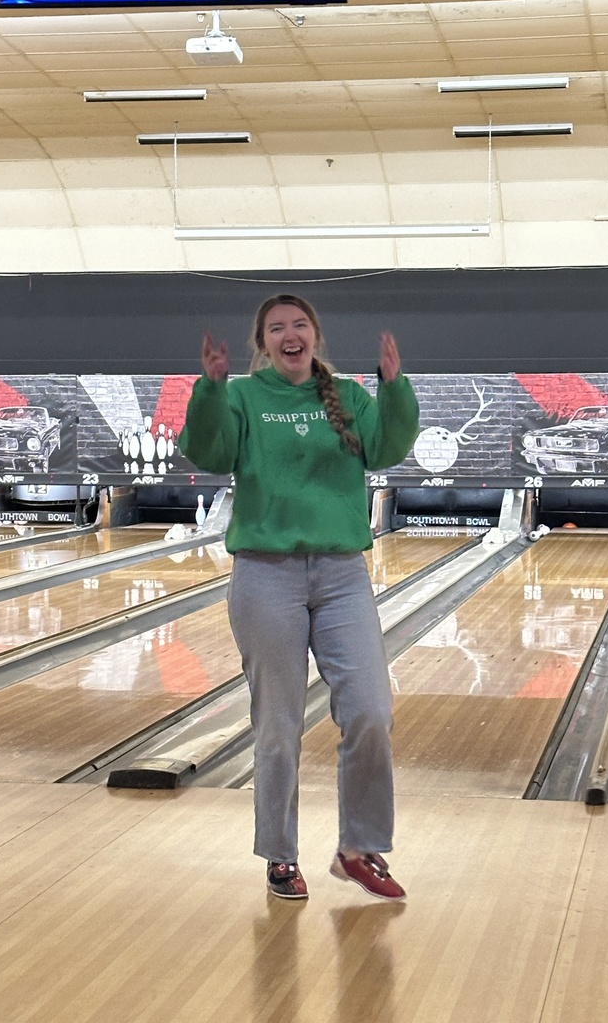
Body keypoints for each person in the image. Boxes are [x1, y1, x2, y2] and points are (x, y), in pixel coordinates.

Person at [179, 293, 419, 902]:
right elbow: (207, 453)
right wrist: (208, 388)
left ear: (314, 335)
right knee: (278, 726)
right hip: (266, 574)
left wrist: (395, 389)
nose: (291, 334)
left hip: (341, 574)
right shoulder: (243, 397)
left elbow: (389, 449)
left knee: (370, 710)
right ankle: (280, 856)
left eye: (300, 324)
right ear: (264, 343)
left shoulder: (349, 398)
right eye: (277, 327)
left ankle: (360, 847)